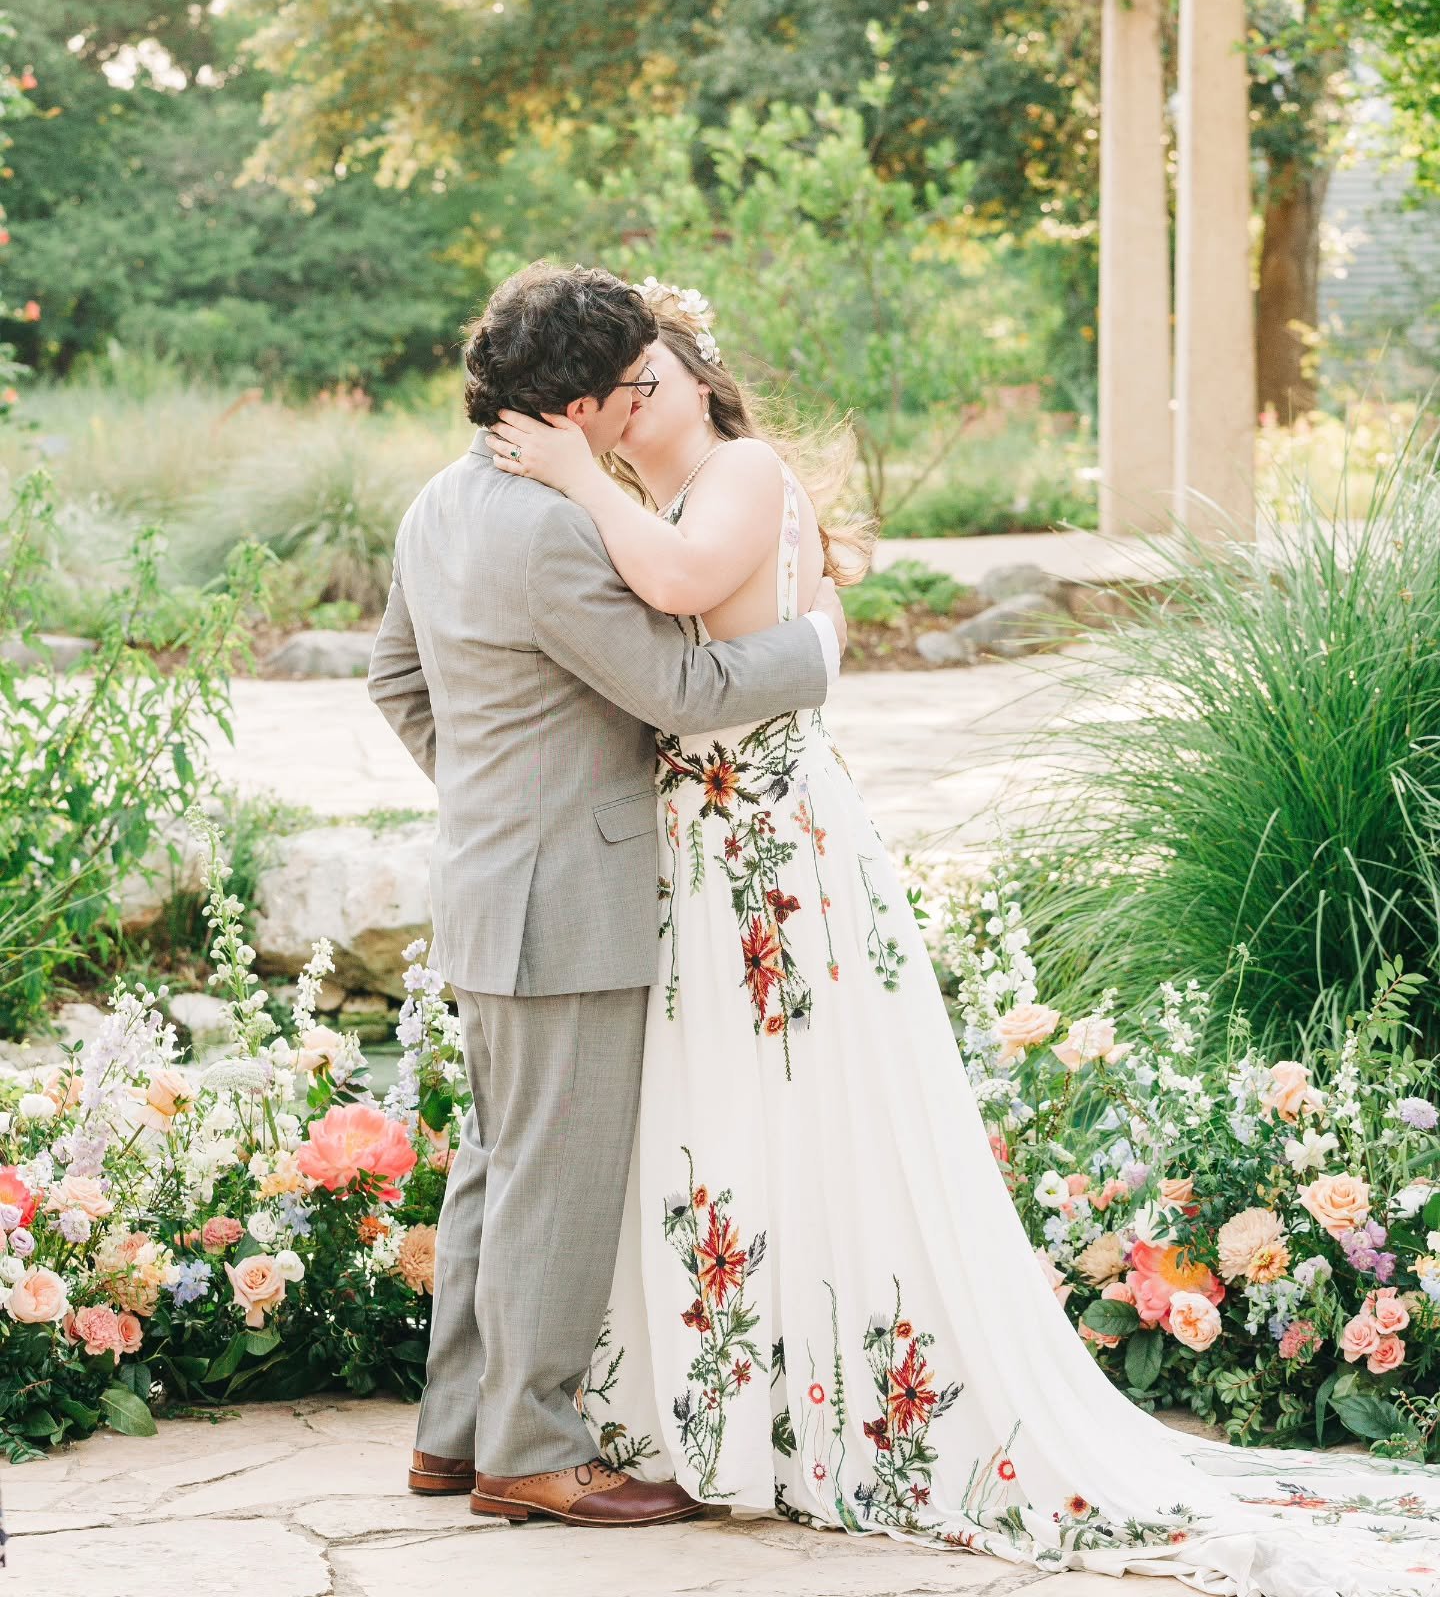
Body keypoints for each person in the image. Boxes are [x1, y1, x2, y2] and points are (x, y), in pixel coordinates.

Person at [486, 277, 1440, 1596]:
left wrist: (578, 479)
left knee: (799, 1104)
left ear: (699, 378)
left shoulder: (739, 473)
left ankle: (820, 1407)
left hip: (767, 846)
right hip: (700, 852)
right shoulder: (661, 494)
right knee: (725, 1114)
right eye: (621, 392)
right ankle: (735, 1397)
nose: (635, 409)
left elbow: (681, 585)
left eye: (652, 382)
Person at [368, 261, 847, 1529]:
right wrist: (814, 648)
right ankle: (534, 1450)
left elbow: (394, 682)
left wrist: (490, 800)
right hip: (566, 894)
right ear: (579, 407)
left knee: (496, 1167)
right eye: (628, 381)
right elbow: (679, 694)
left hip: (490, 886)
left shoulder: (438, 503)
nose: (643, 397)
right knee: (555, 1181)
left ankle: (454, 1437)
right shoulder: (553, 527)